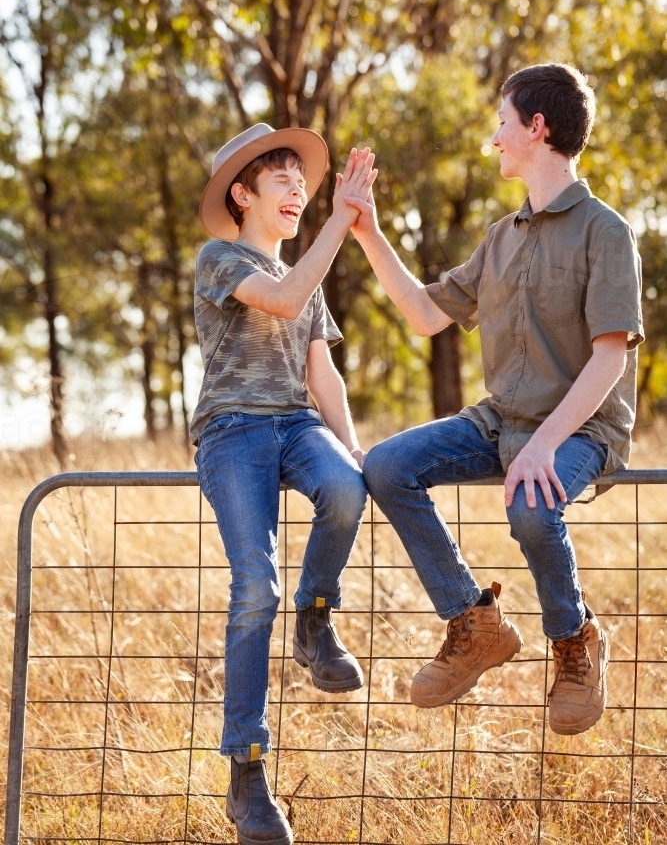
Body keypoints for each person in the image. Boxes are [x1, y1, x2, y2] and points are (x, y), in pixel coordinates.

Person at [346, 63, 643, 737]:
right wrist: (367, 231)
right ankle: (473, 622)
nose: (494, 137)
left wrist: (542, 446)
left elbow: (608, 355)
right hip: (498, 420)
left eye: (502, 122)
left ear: (535, 128)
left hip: (580, 428)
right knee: (387, 466)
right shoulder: (500, 236)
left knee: (530, 505)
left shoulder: (606, 232)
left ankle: (573, 642)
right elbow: (425, 315)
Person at [192, 123, 377, 845]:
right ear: (243, 194)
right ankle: (246, 771)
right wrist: (339, 220)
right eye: (282, 181)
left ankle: (315, 618)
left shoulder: (306, 274)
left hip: (296, 426)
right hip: (234, 431)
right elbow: (282, 298)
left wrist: (354, 450)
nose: (298, 189)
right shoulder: (220, 258)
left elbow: (319, 371)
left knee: (344, 489)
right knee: (253, 588)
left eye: (304, 183)